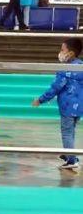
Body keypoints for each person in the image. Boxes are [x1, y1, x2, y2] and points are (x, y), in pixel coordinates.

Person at [32, 38, 83, 170]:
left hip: (67, 106)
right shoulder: (81, 66)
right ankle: (70, 154)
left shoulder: (65, 69)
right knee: (71, 132)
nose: (60, 52)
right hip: (79, 107)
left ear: (70, 53)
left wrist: (40, 100)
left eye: (62, 50)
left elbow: (56, 88)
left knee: (66, 133)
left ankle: (71, 160)